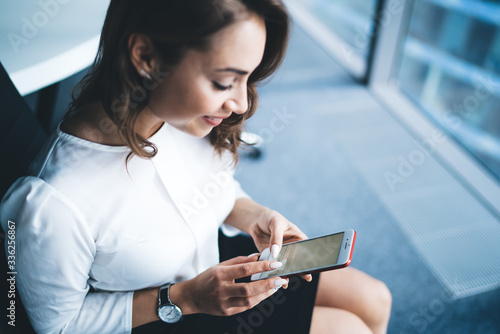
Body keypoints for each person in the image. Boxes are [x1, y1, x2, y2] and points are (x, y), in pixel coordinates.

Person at [0, 0, 392, 333]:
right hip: (165, 309)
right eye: (224, 83)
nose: (241, 103)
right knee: (349, 328)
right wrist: (185, 297)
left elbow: (210, 191)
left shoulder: (179, 115)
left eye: (248, 79)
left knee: (374, 298)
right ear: (146, 58)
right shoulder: (54, 204)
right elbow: (60, 325)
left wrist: (255, 215)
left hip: (210, 261)